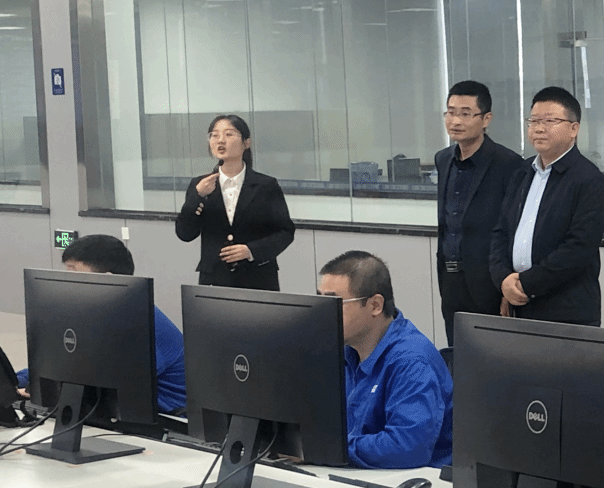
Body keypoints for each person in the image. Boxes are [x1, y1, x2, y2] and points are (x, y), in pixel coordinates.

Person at [15, 234, 186, 414]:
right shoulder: (91, 315)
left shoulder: (142, 322)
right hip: (113, 413)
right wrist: (17, 381)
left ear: (108, 281)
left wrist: (38, 388)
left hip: (167, 418)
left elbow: (113, 379)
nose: (66, 282)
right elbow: (57, 362)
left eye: (73, 273)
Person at [318, 251, 454, 469]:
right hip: (361, 473)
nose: (323, 312)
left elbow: (407, 447)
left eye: (334, 302)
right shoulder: (341, 350)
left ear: (375, 305)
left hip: (414, 480)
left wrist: (327, 448)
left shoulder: (412, 361)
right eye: (320, 300)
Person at [490, 86, 604, 326]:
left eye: (550, 121)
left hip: (566, 308)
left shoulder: (588, 178)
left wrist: (526, 283)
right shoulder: (522, 172)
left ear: (574, 128)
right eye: (534, 121)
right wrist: (504, 279)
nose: (539, 128)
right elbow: (501, 231)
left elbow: (578, 248)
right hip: (518, 304)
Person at [434, 80, 526, 344]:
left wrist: (505, 285)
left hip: (489, 282)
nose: (455, 121)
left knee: (493, 354)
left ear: (486, 119)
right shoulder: (443, 160)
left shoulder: (509, 164)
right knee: (456, 351)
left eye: (466, 113)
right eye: (451, 112)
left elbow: (512, 229)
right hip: (450, 279)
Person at [175, 114, 295, 291]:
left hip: (258, 278)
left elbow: (285, 232)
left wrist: (251, 250)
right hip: (215, 278)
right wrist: (197, 196)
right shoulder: (200, 185)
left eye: (229, 134)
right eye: (214, 135)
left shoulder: (265, 185)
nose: (220, 140)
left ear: (246, 143)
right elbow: (185, 233)